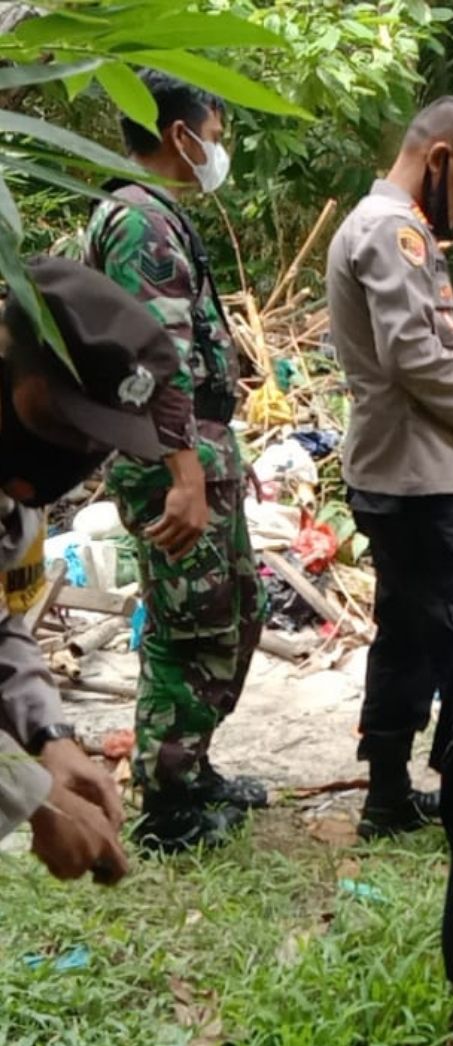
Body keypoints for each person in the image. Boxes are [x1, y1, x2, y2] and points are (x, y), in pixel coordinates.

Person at [327, 96, 453, 840]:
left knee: (408, 634)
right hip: (413, 481)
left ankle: (387, 794)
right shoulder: (392, 231)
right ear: (438, 158)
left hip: (408, 472)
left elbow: (425, 346)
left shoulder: (397, 230)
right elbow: (411, 355)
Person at [84, 70, 268, 854]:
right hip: (172, 457)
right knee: (190, 630)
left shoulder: (152, 218)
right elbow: (152, 360)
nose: (217, 154)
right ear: (180, 136)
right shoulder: (139, 225)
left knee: (232, 613)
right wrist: (186, 474)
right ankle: (169, 807)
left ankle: (189, 766)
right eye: (215, 138)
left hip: (193, 448)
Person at [1, 256, 201, 882]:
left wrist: (49, 735)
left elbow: (3, 626)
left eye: (98, 439)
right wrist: (30, 796)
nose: (73, 454)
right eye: (62, 421)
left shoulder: (15, 500)